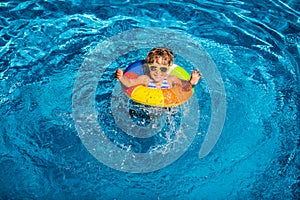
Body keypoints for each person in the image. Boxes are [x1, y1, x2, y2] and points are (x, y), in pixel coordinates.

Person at [115, 47, 202, 90]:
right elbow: (129, 83)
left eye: (163, 69)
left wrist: (192, 82)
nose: (158, 72)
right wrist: (121, 77)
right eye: (153, 68)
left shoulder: (171, 79)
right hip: (145, 105)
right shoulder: (146, 79)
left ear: (169, 68)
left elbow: (185, 86)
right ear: (148, 66)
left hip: (164, 106)